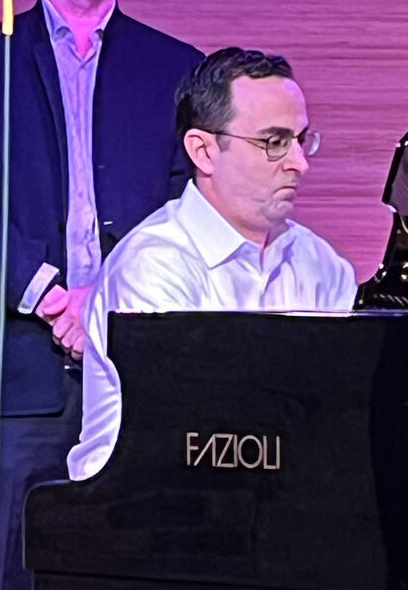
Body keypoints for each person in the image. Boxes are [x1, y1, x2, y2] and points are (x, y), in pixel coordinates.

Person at [0, 0, 202, 587]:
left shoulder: (177, 66)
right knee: (12, 566)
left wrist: (103, 299)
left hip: (143, 363)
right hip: (21, 368)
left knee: (144, 561)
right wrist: (54, 297)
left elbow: (192, 208)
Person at [67, 47, 358, 482]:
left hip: (280, 505)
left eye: (301, 140)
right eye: (274, 143)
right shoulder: (154, 266)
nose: (299, 163)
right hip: (142, 518)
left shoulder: (323, 266)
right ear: (203, 151)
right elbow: (199, 440)